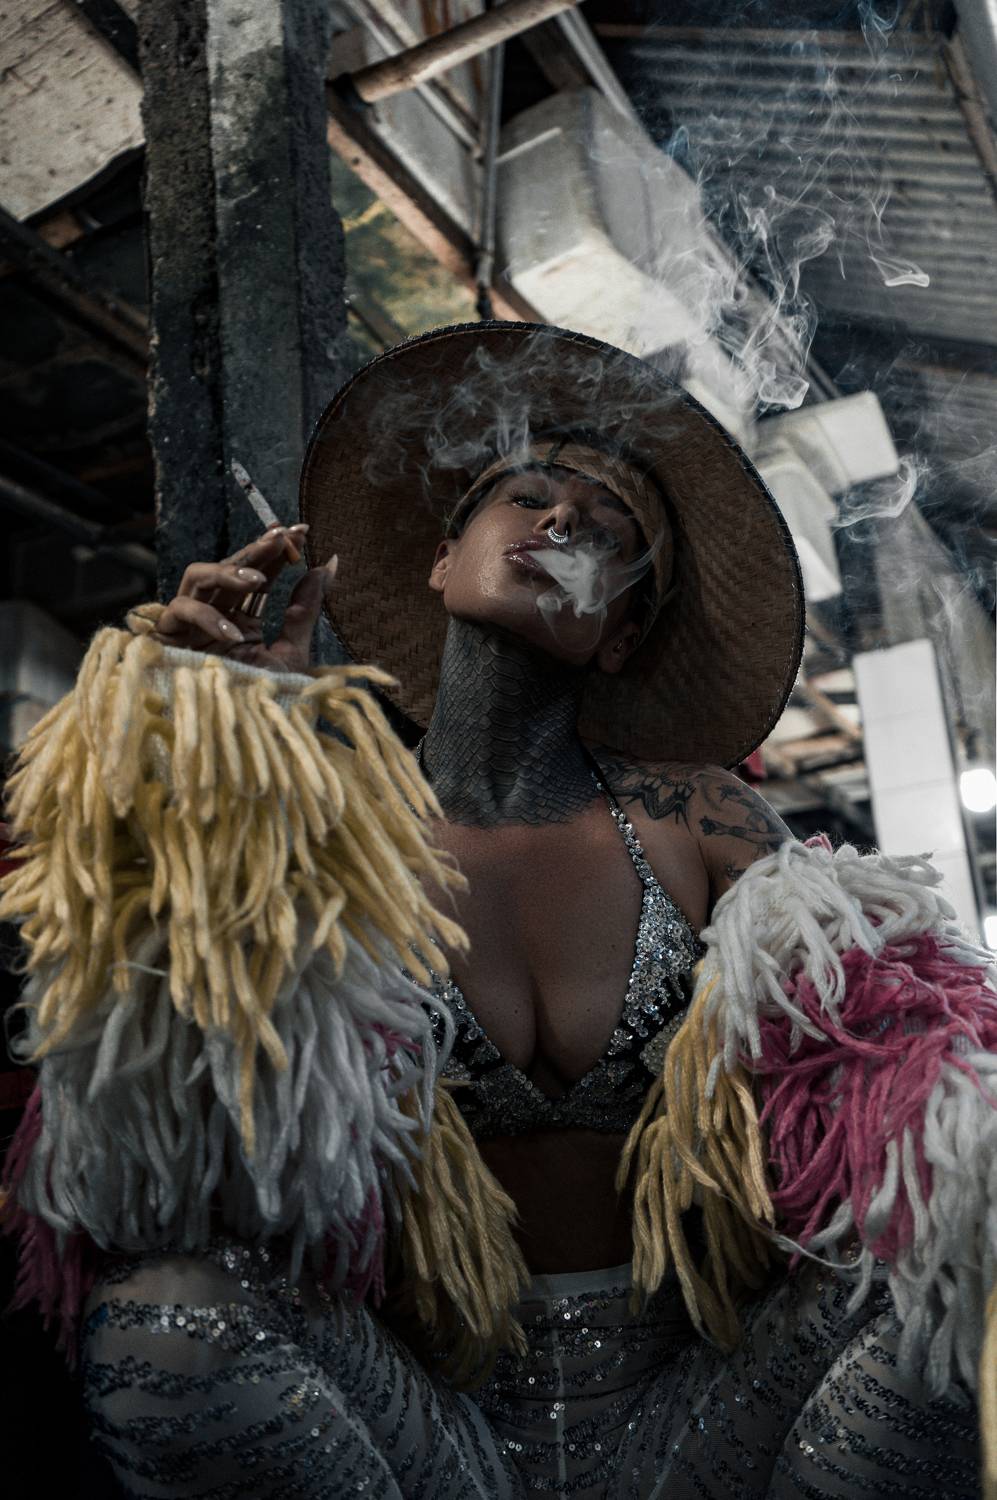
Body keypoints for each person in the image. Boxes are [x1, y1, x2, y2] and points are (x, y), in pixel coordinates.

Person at [1, 323, 993, 1499]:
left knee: (945, 1268)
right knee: (164, 1314)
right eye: (527, 495)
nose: (561, 519)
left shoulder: (693, 813)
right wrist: (213, 757)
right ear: (441, 562)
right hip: (431, 1417)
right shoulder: (330, 821)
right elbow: (165, 1098)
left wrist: (955, 1153)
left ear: (621, 633)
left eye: (608, 531)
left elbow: (885, 1049)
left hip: (695, 1405)